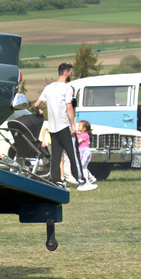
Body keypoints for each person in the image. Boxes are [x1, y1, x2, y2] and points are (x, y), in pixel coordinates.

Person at [40, 63, 94, 191]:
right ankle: (81, 181)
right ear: (65, 72)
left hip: (53, 128)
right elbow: (69, 107)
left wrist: (38, 111)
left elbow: (37, 104)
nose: (71, 74)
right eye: (70, 72)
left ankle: (56, 182)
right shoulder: (67, 88)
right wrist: (73, 126)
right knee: (73, 154)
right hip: (65, 127)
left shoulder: (48, 88)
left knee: (56, 157)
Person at [74, 119, 98, 185]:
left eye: (79, 126)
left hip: (84, 152)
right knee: (82, 167)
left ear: (84, 128)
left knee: (83, 166)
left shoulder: (85, 135)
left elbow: (79, 141)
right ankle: (91, 177)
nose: (78, 127)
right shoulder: (78, 134)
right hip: (80, 152)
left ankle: (86, 180)